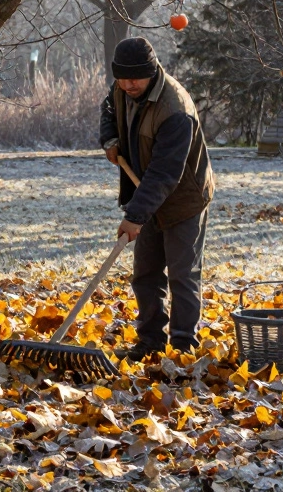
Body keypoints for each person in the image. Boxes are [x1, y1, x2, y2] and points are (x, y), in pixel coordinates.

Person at [99, 37, 215, 361]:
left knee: (182, 274)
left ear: (152, 72)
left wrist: (135, 216)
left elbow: (165, 174)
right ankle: (149, 342)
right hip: (146, 192)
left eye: (135, 77)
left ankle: (182, 348)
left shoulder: (175, 110)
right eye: (122, 77)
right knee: (145, 273)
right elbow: (108, 107)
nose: (128, 84)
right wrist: (108, 136)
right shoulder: (122, 88)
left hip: (183, 200)